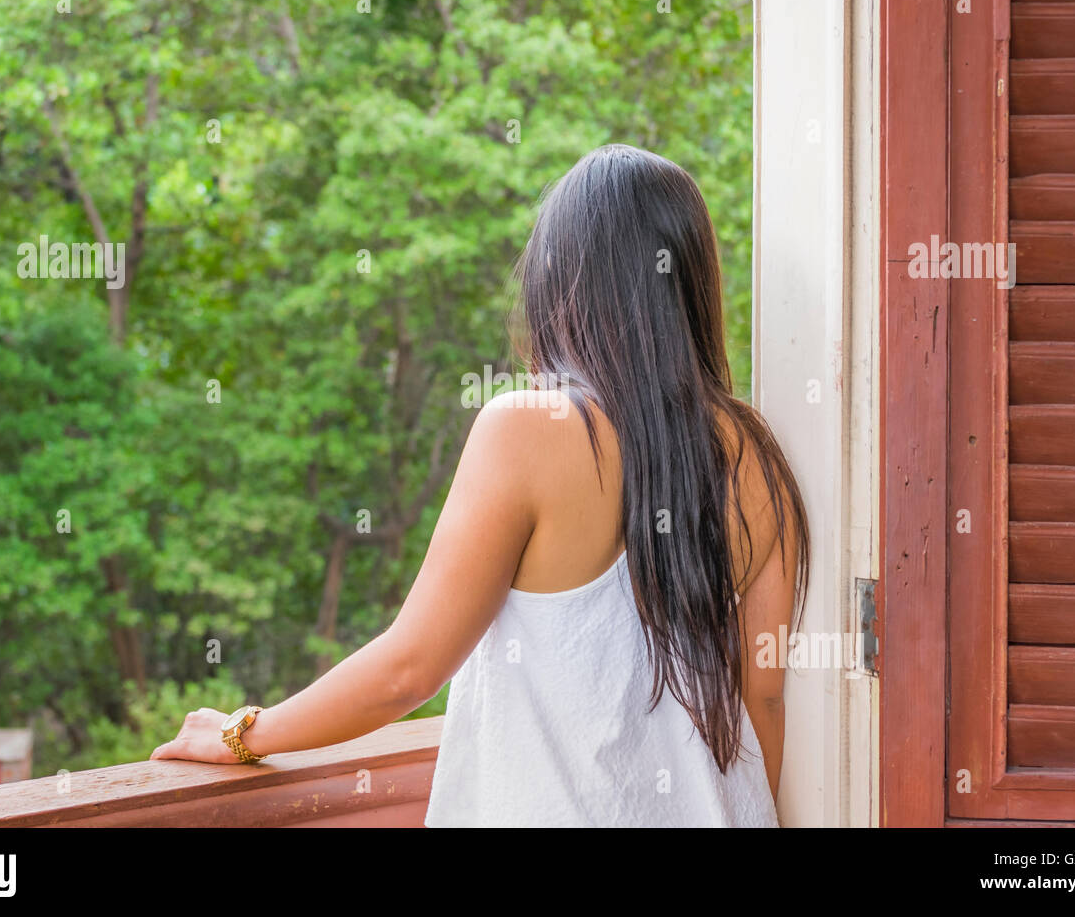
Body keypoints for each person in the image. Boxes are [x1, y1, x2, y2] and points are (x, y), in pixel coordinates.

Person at [153, 143, 810, 827]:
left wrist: (242, 733)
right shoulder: (758, 457)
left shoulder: (527, 430)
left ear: (566, 283)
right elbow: (763, 702)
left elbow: (411, 668)